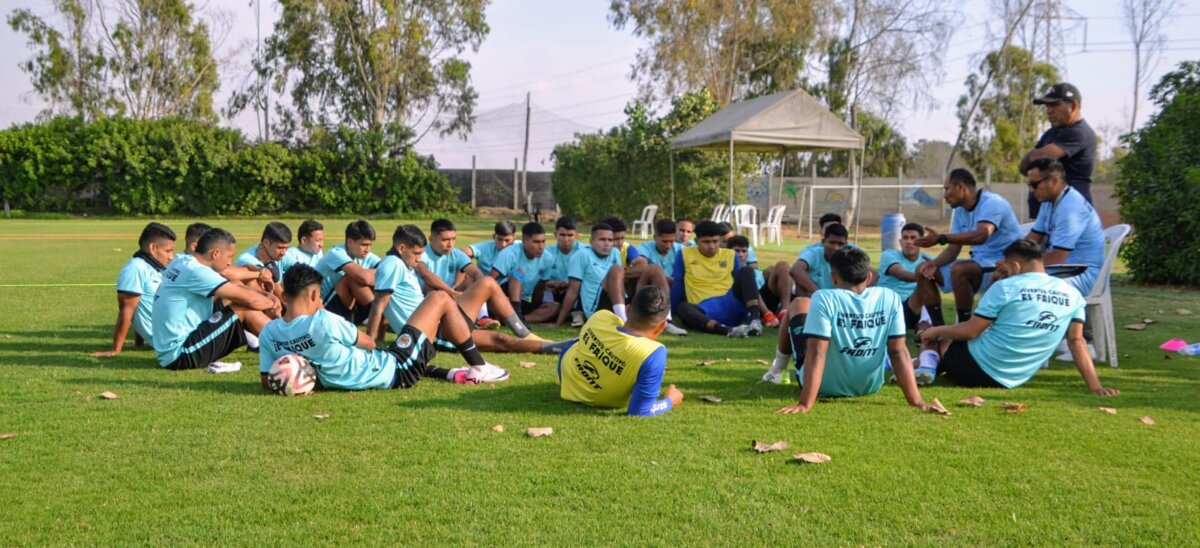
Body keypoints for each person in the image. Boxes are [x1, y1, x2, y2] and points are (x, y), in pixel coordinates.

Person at [258, 264, 509, 390]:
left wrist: (301, 376)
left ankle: (450, 373)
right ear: (313, 294)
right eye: (320, 296)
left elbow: (265, 380)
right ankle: (480, 366)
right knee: (439, 299)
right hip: (395, 370)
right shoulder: (323, 320)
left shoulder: (269, 332)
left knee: (402, 345)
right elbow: (369, 343)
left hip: (376, 366)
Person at [917, 240, 1118, 396]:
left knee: (937, 338)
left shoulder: (1006, 287)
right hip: (1014, 378)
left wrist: (937, 330)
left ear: (1016, 265)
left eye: (1007, 268)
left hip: (975, 370)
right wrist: (1095, 387)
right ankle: (915, 364)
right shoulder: (1072, 293)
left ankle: (925, 368)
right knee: (957, 340)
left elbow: (971, 331)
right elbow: (1077, 341)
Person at [366, 225, 568, 356]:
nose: (419, 259)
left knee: (487, 282)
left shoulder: (398, 264)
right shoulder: (392, 264)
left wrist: (381, 339)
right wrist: (371, 343)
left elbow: (386, 304)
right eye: (417, 254)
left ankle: (527, 334)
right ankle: (560, 347)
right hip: (438, 331)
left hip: (444, 317)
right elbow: (379, 304)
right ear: (402, 249)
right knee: (501, 341)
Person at [777, 247, 931, 414]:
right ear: (869, 277)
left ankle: (777, 370)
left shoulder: (823, 298)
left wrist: (805, 404)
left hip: (824, 387)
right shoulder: (890, 297)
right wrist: (917, 401)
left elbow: (817, 353)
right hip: (869, 386)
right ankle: (777, 371)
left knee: (798, 303)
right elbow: (898, 351)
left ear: (833, 278)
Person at [152, 228, 281, 370]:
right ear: (216, 253)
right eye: (229, 256)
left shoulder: (182, 260)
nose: (229, 262)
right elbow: (251, 301)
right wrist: (273, 303)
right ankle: (289, 349)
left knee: (233, 289)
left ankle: (282, 342)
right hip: (180, 355)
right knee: (243, 308)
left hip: (169, 350)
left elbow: (229, 275)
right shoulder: (197, 272)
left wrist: (265, 293)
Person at [913, 168, 1022, 326]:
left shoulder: (993, 203)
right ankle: (937, 330)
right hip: (980, 264)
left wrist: (941, 238)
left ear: (960, 188)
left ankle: (964, 327)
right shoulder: (960, 211)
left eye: (947, 189)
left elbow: (981, 235)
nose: (945, 195)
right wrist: (933, 264)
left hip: (1002, 265)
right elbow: (953, 249)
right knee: (922, 270)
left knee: (960, 269)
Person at [1023, 157, 1106, 361]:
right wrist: (1011, 259)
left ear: (1053, 181)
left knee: (1028, 285)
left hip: (1083, 272)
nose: (1032, 190)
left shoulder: (1071, 208)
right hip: (1065, 268)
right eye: (1029, 185)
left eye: (1035, 184)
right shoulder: (1049, 202)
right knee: (1008, 278)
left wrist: (1021, 267)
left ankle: (1083, 344)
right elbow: (1033, 238)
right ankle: (1023, 340)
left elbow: (1059, 256)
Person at [558, 286, 683, 416]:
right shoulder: (654, 352)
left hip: (566, 378)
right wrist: (670, 401)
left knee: (577, 343)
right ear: (662, 326)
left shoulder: (601, 316)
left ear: (628, 310)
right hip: (598, 400)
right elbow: (641, 411)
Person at [761, 223, 851, 383]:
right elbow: (795, 270)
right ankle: (779, 369)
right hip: (813, 306)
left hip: (838, 309)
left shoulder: (848, 259)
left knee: (796, 310)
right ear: (823, 241)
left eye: (840, 244)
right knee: (799, 303)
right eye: (832, 243)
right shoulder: (814, 254)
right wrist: (819, 293)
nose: (836, 247)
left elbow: (871, 273)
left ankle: (778, 369)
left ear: (846, 244)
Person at [93, 222, 176, 357]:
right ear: (153, 248)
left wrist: (139, 343)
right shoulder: (135, 268)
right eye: (168, 251)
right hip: (174, 340)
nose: (171, 256)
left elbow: (144, 305)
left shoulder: (153, 267)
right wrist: (116, 350)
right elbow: (127, 310)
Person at [670, 220, 765, 338]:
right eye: (706, 242)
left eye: (715, 241)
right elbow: (677, 285)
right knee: (683, 307)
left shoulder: (730, 255)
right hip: (703, 310)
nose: (711, 246)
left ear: (720, 240)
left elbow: (739, 284)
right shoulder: (684, 254)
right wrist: (671, 314)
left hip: (730, 303)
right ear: (696, 241)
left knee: (746, 271)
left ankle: (755, 320)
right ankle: (727, 331)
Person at [1020, 82, 1096, 217]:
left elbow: (1033, 160)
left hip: (1069, 213)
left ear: (1073, 106)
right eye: (1047, 106)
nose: (1049, 110)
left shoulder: (1078, 132)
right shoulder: (1051, 134)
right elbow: (1025, 167)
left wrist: (1034, 157)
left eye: (1054, 105)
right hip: (1048, 214)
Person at [315, 219, 381, 325]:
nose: (368, 249)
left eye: (370, 245)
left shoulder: (364, 255)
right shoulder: (336, 254)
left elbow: (388, 272)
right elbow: (365, 277)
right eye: (364, 245)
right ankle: (376, 312)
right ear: (350, 242)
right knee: (352, 277)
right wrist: (373, 275)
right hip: (324, 307)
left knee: (385, 282)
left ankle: (379, 314)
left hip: (345, 304)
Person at [490, 222, 558, 323]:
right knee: (519, 273)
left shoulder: (548, 258)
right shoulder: (509, 253)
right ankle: (515, 315)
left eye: (543, 241)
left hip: (522, 300)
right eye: (536, 242)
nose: (541, 246)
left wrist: (536, 306)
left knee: (555, 307)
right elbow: (490, 281)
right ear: (524, 241)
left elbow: (540, 287)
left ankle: (517, 320)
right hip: (503, 298)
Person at [876, 223, 937, 332]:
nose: (909, 241)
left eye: (913, 238)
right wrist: (923, 276)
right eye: (905, 238)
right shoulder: (889, 255)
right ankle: (927, 324)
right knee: (926, 282)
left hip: (914, 310)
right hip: (889, 309)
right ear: (900, 241)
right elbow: (901, 274)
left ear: (922, 242)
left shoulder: (928, 260)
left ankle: (926, 324)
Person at [725, 235, 790, 327]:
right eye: (737, 251)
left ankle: (784, 311)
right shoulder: (726, 270)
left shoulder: (754, 270)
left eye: (744, 251)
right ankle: (767, 315)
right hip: (747, 302)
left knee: (783, 265)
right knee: (750, 284)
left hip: (766, 297)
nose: (740, 255)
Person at [416, 219, 480, 294]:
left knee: (474, 281)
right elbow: (425, 274)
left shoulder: (456, 254)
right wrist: (452, 293)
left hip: (451, 293)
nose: (450, 244)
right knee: (430, 287)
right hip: (428, 297)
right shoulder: (420, 253)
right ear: (431, 239)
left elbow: (476, 273)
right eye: (445, 240)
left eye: (453, 239)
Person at [542, 216, 585, 323]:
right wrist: (551, 283)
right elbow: (540, 277)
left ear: (577, 235)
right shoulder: (546, 253)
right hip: (553, 291)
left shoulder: (584, 252)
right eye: (562, 235)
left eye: (570, 235)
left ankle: (574, 311)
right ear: (555, 235)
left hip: (576, 292)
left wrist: (570, 285)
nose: (566, 239)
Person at [636, 219, 683, 285]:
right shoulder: (645, 248)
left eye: (671, 241)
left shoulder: (680, 249)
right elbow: (641, 267)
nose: (668, 246)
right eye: (664, 241)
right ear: (655, 238)